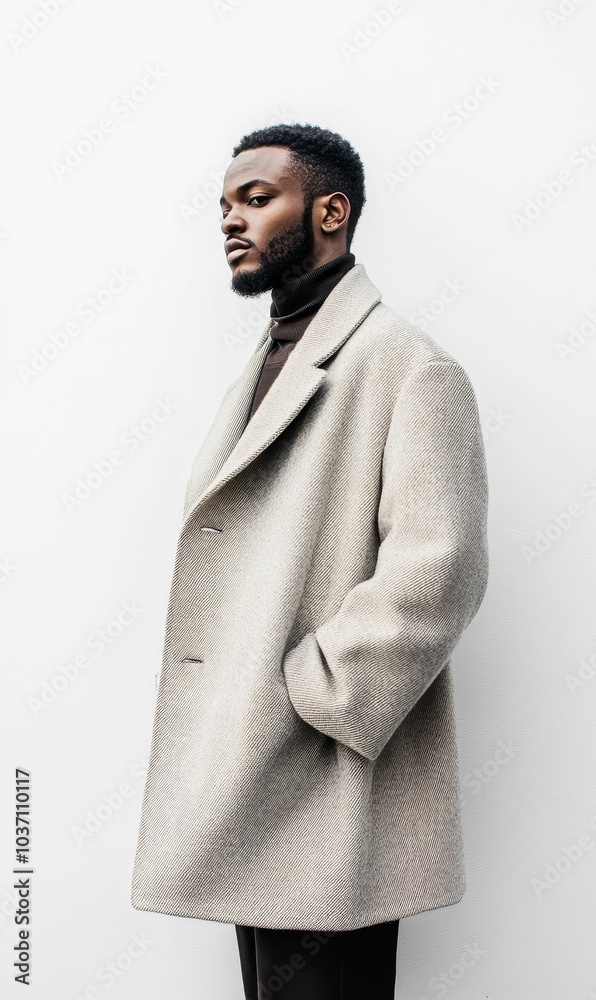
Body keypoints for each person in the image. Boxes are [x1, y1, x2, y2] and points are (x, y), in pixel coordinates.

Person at [130, 123, 489, 1000]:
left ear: (331, 212)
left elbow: (440, 565)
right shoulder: (270, 356)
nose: (230, 220)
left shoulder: (408, 366)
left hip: (321, 764)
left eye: (257, 199)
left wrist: (312, 691)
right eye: (224, 204)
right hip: (250, 760)